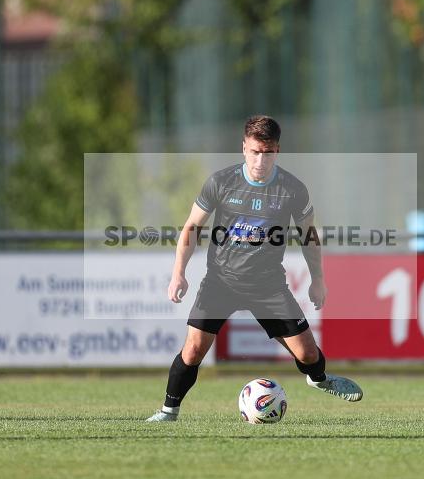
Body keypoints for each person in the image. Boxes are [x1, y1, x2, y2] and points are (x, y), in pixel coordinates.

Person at [146, 115, 362, 422]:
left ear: (278, 151)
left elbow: (309, 236)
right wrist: (178, 273)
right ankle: (169, 411)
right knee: (193, 350)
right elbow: (192, 226)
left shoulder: (292, 189)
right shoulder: (221, 182)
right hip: (221, 281)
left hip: (268, 285)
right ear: (244, 148)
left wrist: (318, 280)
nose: (261, 160)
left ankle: (318, 378)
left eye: (268, 152)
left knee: (308, 355)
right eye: (255, 152)